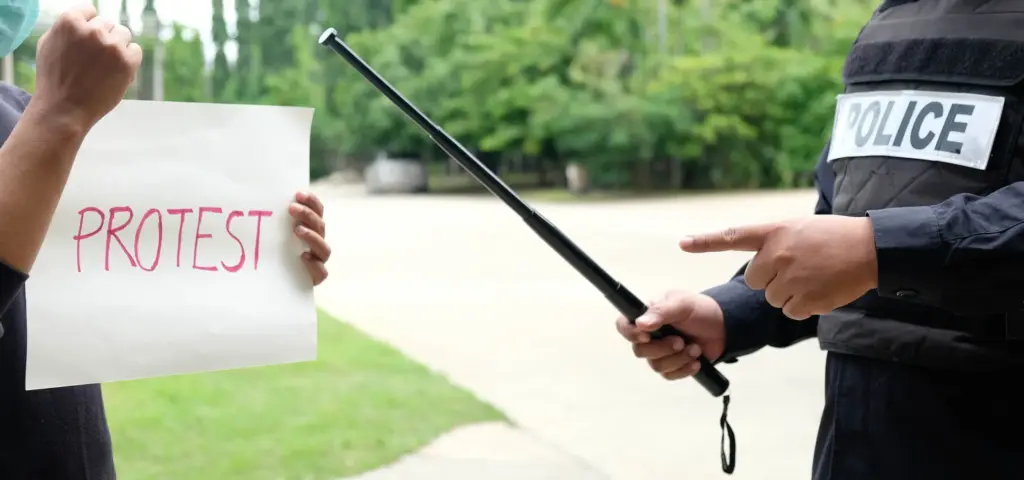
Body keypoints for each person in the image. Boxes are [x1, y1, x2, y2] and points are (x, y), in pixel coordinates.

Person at [617, 1, 1024, 479]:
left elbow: (868, 244)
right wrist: (732, 313)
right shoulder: (891, 25)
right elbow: (842, 223)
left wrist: (880, 249)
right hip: (860, 437)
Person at [0, 3, 332, 479]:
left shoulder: (18, 110)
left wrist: (274, 256)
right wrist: (59, 115)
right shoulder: (44, 115)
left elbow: (100, 262)